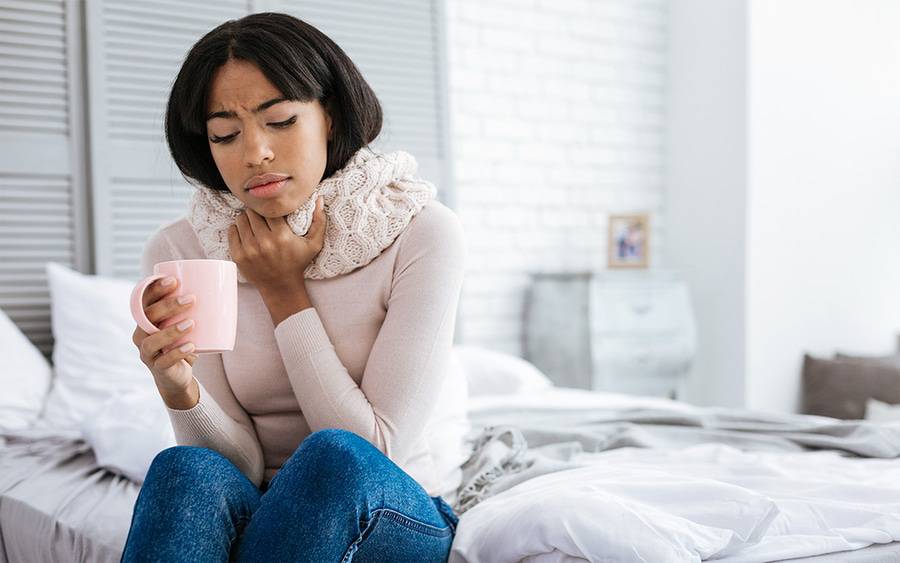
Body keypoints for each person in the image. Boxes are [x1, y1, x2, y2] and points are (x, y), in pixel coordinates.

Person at [121, 11, 469, 563]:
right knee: (184, 468)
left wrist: (283, 291)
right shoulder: (181, 251)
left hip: (390, 504)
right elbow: (235, 468)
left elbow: (376, 450)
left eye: (279, 120)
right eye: (225, 134)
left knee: (332, 456)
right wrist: (178, 389)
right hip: (262, 504)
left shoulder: (423, 233)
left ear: (329, 116)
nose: (254, 152)